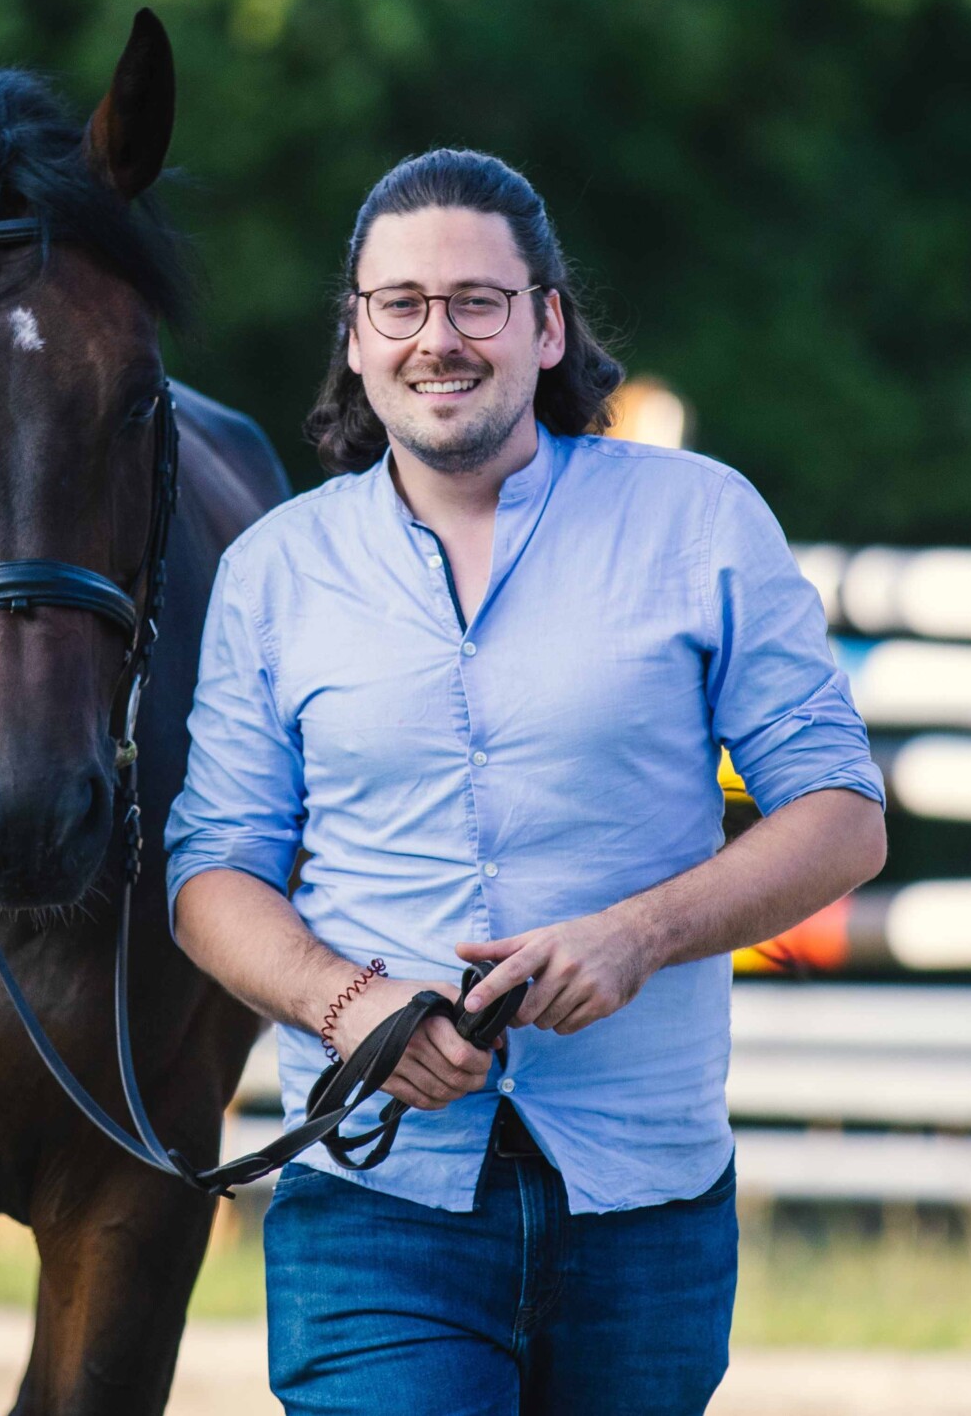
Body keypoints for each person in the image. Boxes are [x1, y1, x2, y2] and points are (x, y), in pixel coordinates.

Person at [165, 148, 888, 1413]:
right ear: (356, 331)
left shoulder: (701, 522)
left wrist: (638, 935)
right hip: (376, 1199)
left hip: (644, 1200)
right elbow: (210, 873)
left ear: (548, 324)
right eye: (400, 304)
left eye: (476, 302)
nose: (436, 337)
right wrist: (349, 1010)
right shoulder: (274, 571)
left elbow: (840, 814)